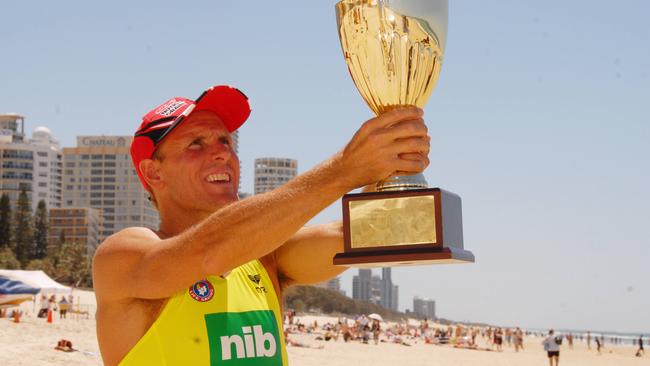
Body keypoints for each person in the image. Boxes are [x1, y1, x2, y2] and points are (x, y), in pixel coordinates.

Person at [92, 85, 430, 365]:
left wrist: (395, 161)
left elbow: (358, 235)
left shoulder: (267, 258)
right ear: (154, 172)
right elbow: (209, 251)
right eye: (197, 143)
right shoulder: (124, 255)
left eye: (225, 141)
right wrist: (345, 169)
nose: (222, 153)